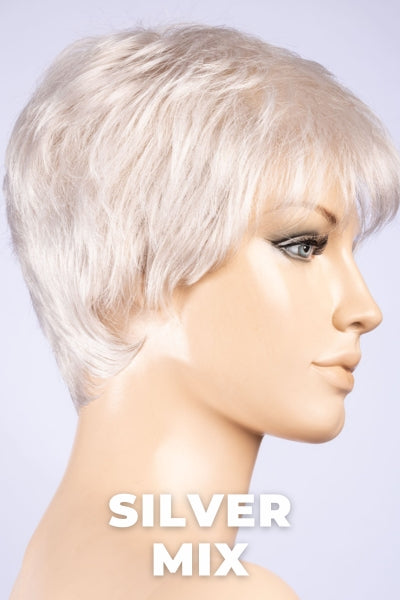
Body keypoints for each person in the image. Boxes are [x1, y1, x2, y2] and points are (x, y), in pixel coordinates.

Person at [5, 23, 400, 600]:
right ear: (138, 270)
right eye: (302, 245)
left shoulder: (52, 560)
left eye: (350, 251)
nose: (364, 309)